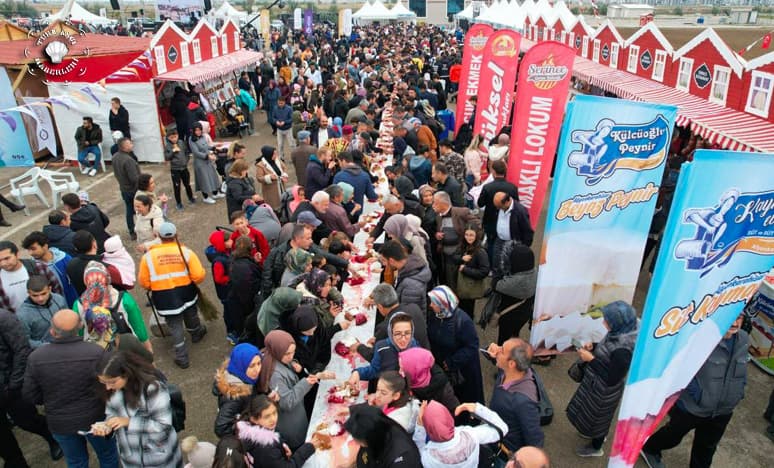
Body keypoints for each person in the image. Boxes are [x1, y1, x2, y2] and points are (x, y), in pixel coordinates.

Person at [641, 313, 749, 468]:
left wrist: (739, 392)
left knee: (706, 448)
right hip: (693, 407)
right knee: (672, 436)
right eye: (732, 316)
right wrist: (698, 393)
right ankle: (650, 448)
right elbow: (679, 367)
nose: (735, 322)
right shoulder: (701, 339)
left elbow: (742, 369)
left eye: (740, 317)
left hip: (723, 410)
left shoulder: (744, 339)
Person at [23, 309, 120, 467]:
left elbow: (29, 394)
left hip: (60, 423)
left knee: (75, 461)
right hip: (96, 417)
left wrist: (49, 400)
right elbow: (111, 384)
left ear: (52, 331)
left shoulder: (36, 358)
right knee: (107, 455)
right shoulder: (96, 352)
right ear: (80, 326)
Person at [565, 301, 639, 457]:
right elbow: (610, 347)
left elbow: (612, 378)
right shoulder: (625, 330)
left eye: (607, 320)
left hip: (603, 392)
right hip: (595, 386)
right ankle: (592, 434)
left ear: (617, 323)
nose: (603, 322)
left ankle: (596, 447)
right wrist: (596, 346)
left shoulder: (623, 351)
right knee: (592, 416)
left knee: (599, 421)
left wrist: (590, 359)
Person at [92, 351, 182, 467]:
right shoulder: (109, 390)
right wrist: (108, 426)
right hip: (130, 459)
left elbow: (164, 427)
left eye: (112, 382)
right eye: (103, 382)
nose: (107, 387)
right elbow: (111, 414)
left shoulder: (153, 389)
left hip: (159, 458)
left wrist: (129, 422)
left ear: (127, 373)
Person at [138, 222, 207, 369]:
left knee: (175, 326)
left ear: (159, 237)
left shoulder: (148, 257)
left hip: (164, 297)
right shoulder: (186, 252)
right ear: (177, 235)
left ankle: (182, 357)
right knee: (191, 314)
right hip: (186, 292)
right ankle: (196, 334)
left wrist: (154, 286)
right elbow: (198, 276)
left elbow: (144, 282)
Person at [0, 308, 62, 466]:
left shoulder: (4, 318)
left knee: (27, 420)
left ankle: (52, 437)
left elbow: (21, 350)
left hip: (11, 386)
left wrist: (13, 385)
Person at [258, 330, 321, 449]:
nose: (291, 356)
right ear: (277, 350)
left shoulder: (274, 356)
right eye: (287, 354)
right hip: (290, 424)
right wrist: (305, 383)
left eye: (293, 352)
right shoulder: (274, 375)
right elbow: (287, 402)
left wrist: (293, 364)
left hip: (295, 417)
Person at [487, 338, 544, 464]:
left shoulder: (522, 401)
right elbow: (498, 360)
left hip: (505, 452)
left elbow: (534, 438)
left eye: (501, 350)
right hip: (495, 436)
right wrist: (490, 350)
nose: (497, 349)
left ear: (512, 364)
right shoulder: (511, 369)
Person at [73, 261, 151, 352]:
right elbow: (138, 326)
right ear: (107, 278)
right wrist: (148, 347)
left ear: (86, 281)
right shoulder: (123, 299)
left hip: (97, 352)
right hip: (125, 348)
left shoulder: (78, 304)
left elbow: (80, 332)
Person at [426, 286, 484, 405]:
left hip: (461, 372)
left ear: (443, 304)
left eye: (434, 303)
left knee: (461, 400)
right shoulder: (435, 316)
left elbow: (472, 346)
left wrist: (452, 362)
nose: (430, 305)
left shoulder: (463, 322)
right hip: (442, 367)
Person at [235, 394, 325, 467]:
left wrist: (282, 447)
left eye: (274, 413)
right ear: (254, 419)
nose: (273, 419)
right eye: (267, 416)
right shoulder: (266, 448)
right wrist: (308, 448)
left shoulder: (249, 431)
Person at [413, 400, 509, 468]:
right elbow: (502, 429)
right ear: (449, 419)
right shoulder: (470, 435)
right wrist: (476, 408)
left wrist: (420, 427)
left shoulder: (429, 458)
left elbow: (419, 450)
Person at [213, 343, 276, 437]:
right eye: (252, 366)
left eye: (259, 363)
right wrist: (248, 429)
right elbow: (221, 427)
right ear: (241, 365)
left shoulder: (244, 376)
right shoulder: (235, 396)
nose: (257, 370)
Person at [350, 312, 419, 388]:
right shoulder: (381, 347)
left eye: (407, 333)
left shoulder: (416, 349)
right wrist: (358, 373)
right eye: (398, 334)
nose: (403, 339)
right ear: (390, 332)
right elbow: (374, 370)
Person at [344, 403, 422, 467]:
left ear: (371, 438)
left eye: (357, 439)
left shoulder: (401, 459)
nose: (355, 442)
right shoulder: (379, 426)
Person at [359, 283, 430, 352]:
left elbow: (374, 356)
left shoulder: (385, 327)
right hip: (426, 353)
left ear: (380, 307)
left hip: (410, 361)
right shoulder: (414, 307)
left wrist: (358, 347)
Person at [0, 240, 63, 315]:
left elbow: (57, 290)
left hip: (49, 315)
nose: (3, 263)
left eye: (7, 258)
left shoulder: (39, 268)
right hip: (17, 322)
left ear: (17, 254)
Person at [432, 191, 479, 288]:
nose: (433, 205)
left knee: (459, 282)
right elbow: (438, 231)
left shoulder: (461, 212)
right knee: (449, 282)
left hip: (459, 253)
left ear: (443, 203)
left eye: (435, 203)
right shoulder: (438, 217)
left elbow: (477, 224)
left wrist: (470, 239)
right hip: (445, 255)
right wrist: (437, 235)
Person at [493, 245, 538, 346]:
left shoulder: (515, 282)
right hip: (524, 313)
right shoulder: (534, 272)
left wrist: (500, 268)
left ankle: (504, 354)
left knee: (504, 338)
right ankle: (514, 348)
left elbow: (495, 285)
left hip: (509, 316)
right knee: (514, 333)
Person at [22, 231, 78, 306]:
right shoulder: (33, 267)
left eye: (33, 249)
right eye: (28, 250)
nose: (30, 253)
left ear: (45, 246)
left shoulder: (64, 258)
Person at [398, 347, 460, 414]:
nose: (399, 371)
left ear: (415, 371)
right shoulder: (404, 383)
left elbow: (455, 411)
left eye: (402, 368)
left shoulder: (443, 387)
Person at [477, 160, 518, 260]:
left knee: (491, 244)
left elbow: (480, 203)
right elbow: (516, 205)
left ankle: (492, 267)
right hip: (507, 221)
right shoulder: (512, 188)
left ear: (493, 172)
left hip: (490, 221)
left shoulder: (487, 187)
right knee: (506, 245)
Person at [226, 237, 263, 342]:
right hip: (244, 306)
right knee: (246, 331)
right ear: (250, 249)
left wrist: (254, 261)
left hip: (235, 300)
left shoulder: (233, 259)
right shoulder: (246, 267)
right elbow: (248, 290)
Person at [66, 230, 124, 295]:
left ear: (76, 248)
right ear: (94, 245)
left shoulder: (70, 264)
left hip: (85, 300)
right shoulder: (105, 267)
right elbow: (123, 284)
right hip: (108, 300)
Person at [378, 240, 431, 311]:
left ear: (391, 261)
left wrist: (382, 304)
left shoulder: (411, 286)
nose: (383, 264)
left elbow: (406, 315)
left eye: (384, 261)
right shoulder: (409, 262)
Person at [16, 275, 68, 347]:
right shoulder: (23, 314)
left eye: (44, 294)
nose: (40, 298)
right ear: (28, 293)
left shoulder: (59, 299)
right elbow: (24, 340)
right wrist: (47, 346)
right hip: (44, 351)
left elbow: (68, 320)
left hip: (66, 342)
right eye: (35, 295)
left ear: (49, 289)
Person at [455, 227, 489, 316]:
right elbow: (454, 257)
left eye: (471, 235)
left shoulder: (480, 251)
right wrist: (461, 258)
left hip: (470, 287)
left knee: (467, 310)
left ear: (477, 236)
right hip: (462, 285)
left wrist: (465, 270)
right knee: (461, 308)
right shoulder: (463, 246)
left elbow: (484, 271)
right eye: (466, 235)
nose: (468, 237)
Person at [111, 138, 141, 240]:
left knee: (129, 210)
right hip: (133, 190)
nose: (132, 145)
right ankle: (140, 230)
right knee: (140, 210)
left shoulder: (115, 157)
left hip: (124, 188)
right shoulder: (128, 160)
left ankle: (131, 230)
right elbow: (134, 178)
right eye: (130, 144)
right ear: (124, 146)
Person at [190, 122, 225, 205]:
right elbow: (196, 152)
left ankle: (215, 193)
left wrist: (214, 148)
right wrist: (207, 156)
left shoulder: (203, 137)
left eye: (199, 130)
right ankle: (205, 197)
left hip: (208, 161)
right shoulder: (192, 140)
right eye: (196, 130)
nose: (198, 132)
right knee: (203, 180)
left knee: (212, 176)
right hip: (200, 163)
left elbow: (206, 146)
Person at [164, 129, 196, 210]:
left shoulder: (181, 142)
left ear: (177, 135)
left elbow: (186, 152)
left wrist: (186, 160)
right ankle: (179, 203)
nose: (174, 139)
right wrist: (172, 151)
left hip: (184, 168)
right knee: (177, 186)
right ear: (168, 138)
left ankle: (191, 197)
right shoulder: (168, 146)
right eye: (172, 137)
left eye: (175, 137)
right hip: (175, 169)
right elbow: (167, 157)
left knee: (187, 184)